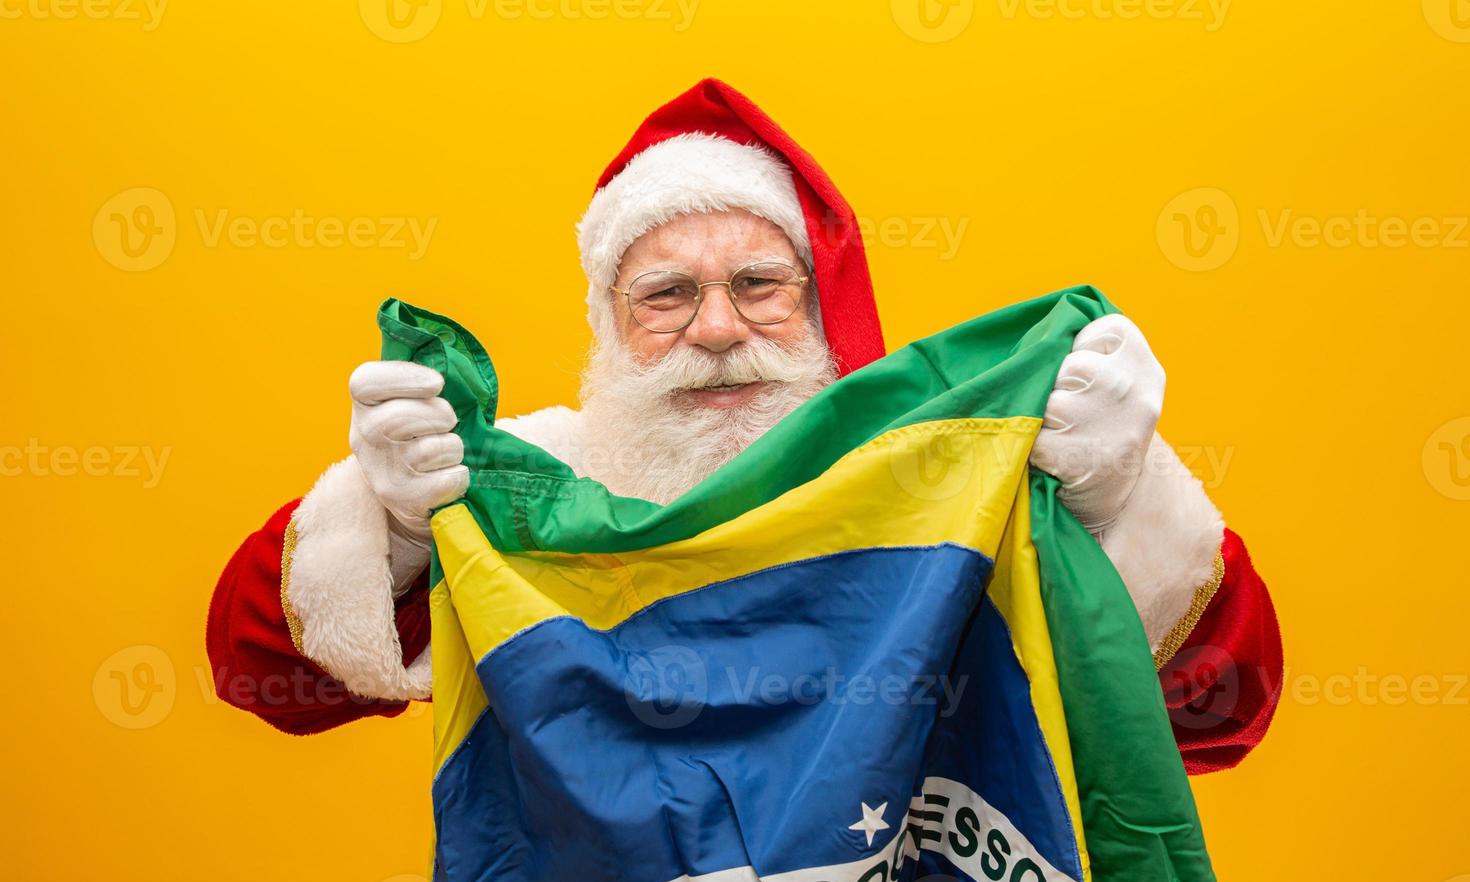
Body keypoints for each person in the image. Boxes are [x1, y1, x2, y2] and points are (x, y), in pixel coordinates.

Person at [205, 79, 1281, 775]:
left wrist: (1113, 500)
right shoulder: (537, 486)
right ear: (610, 328)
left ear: (825, 313)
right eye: (665, 294)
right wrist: (393, 527)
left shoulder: (951, 488)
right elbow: (257, 672)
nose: (717, 329)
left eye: (761, 283)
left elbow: (1220, 715)